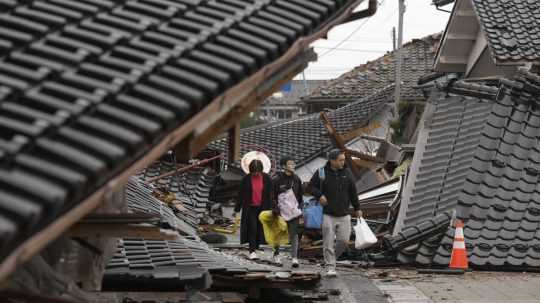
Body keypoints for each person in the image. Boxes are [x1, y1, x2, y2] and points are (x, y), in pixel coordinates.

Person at [308, 149, 362, 277]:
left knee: (343, 240)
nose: (343, 162)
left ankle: (332, 260)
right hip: (328, 213)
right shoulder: (321, 172)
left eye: (343, 159)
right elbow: (310, 187)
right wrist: (319, 195)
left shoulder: (347, 172)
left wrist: (357, 208)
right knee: (328, 242)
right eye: (340, 160)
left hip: (344, 213)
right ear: (332, 161)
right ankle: (330, 266)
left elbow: (353, 192)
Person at [234, 159, 273, 260]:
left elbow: (271, 194)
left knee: (260, 229)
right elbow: (240, 195)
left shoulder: (267, 178)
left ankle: (256, 247)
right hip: (250, 208)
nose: (256, 173)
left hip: (263, 208)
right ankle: (252, 251)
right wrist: (237, 209)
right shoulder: (246, 179)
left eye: (257, 171)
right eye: (254, 171)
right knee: (252, 228)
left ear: (261, 170)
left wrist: (273, 208)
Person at [272, 156, 303, 268]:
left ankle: (294, 257)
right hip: (280, 211)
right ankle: (276, 254)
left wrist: (300, 207)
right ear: (284, 166)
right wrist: (275, 209)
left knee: (294, 234)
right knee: (279, 232)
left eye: (293, 164)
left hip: (293, 211)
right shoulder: (276, 179)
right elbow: (271, 196)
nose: (293, 166)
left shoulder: (297, 179)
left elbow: (300, 196)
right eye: (290, 164)